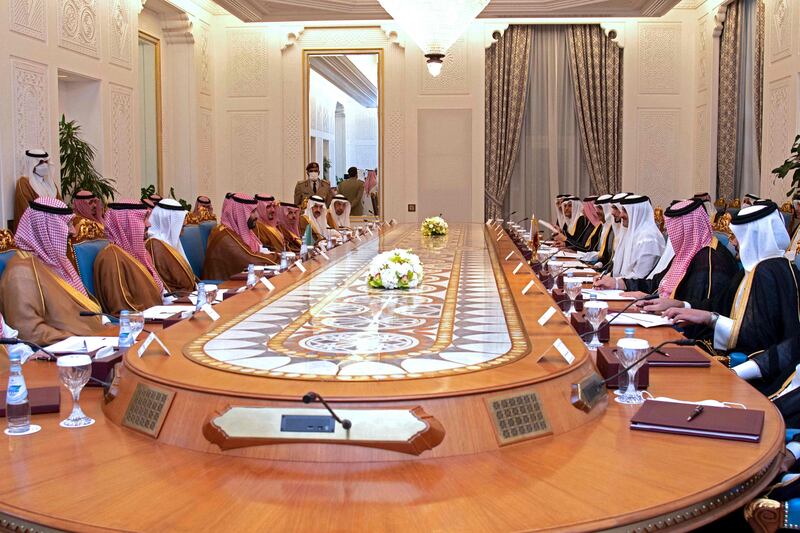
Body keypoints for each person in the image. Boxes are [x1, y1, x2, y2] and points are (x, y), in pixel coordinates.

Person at [664, 202, 800, 395]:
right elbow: (719, 303)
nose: (733, 243)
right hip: (744, 361)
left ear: (754, 238)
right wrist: (682, 305)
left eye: (736, 237)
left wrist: (710, 319)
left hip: (757, 372)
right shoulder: (752, 268)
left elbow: (756, 337)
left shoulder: (767, 272)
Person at [0, 198, 107, 345]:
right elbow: (29, 332)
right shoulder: (21, 272)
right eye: (67, 224)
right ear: (45, 228)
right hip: (69, 354)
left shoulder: (55, 263)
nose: (73, 231)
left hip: (98, 338)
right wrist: (81, 341)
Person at [600, 199, 738, 305]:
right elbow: (658, 283)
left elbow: (694, 306)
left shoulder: (711, 260)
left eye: (674, 229)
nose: (671, 236)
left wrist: (649, 298)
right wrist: (619, 283)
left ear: (687, 229)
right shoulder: (688, 253)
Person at [94, 201, 164, 314]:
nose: (148, 224)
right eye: (143, 219)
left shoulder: (138, 254)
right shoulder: (112, 258)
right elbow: (123, 310)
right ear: (126, 225)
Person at [203, 193, 276, 280]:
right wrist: (280, 258)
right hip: (223, 287)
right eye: (252, 212)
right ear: (239, 214)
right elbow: (251, 260)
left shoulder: (234, 231)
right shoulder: (225, 237)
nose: (257, 216)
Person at [145, 199, 196, 294]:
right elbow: (166, 286)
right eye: (181, 226)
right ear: (168, 223)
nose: (183, 232)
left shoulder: (169, 241)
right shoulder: (155, 246)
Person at [609, 195, 665, 278]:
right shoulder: (632, 234)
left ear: (637, 212)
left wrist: (614, 282)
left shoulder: (648, 238)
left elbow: (639, 276)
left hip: (636, 288)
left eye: (625, 211)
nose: (621, 215)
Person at [14, 149, 60, 228]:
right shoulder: (24, 183)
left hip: (54, 227)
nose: (45, 165)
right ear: (32, 164)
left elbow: (60, 204)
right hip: (33, 229)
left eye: (46, 162)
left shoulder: (50, 184)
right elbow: (27, 210)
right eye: (40, 162)